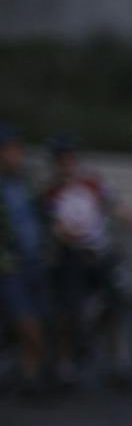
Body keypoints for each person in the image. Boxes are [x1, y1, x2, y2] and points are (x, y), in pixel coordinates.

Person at [44, 137, 124, 385]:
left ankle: (117, 363)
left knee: (116, 304)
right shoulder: (51, 192)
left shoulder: (93, 183)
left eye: (70, 159)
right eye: (62, 160)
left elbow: (116, 207)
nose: (67, 164)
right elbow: (56, 228)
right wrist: (71, 237)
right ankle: (66, 365)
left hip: (99, 252)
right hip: (72, 256)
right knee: (68, 311)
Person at [0, 123, 50, 393]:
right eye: (9, 150)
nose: (15, 156)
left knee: (39, 320)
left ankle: (31, 379)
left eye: (17, 150)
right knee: (27, 324)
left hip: (35, 263)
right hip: (11, 268)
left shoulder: (26, 185)